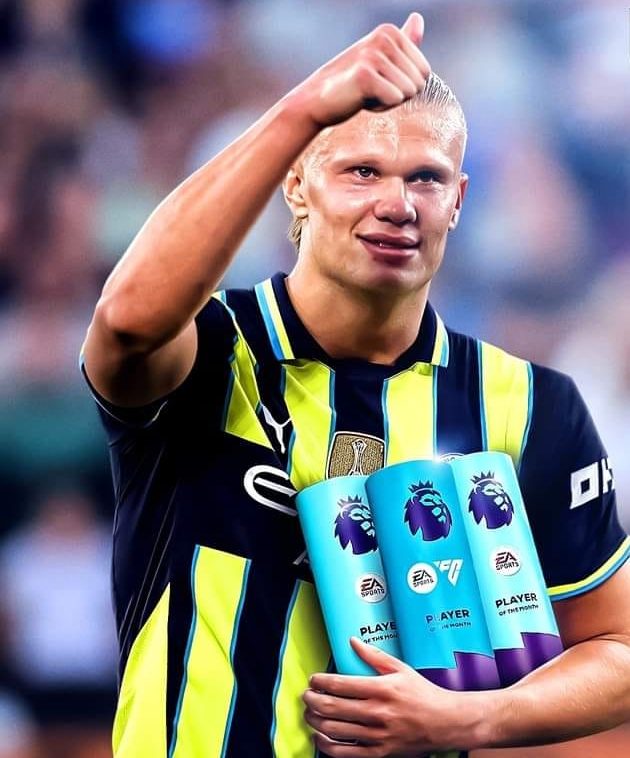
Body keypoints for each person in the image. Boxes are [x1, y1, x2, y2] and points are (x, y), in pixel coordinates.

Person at [81, 12, 630, 758]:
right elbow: (125, 323)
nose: (397, 204)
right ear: (296, 185)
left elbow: (617, 651)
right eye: (361, 171)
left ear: (459, 200)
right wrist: (302, 112)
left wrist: (471, 719)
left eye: (426, 177)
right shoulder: (210, 352)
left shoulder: (532, 405)